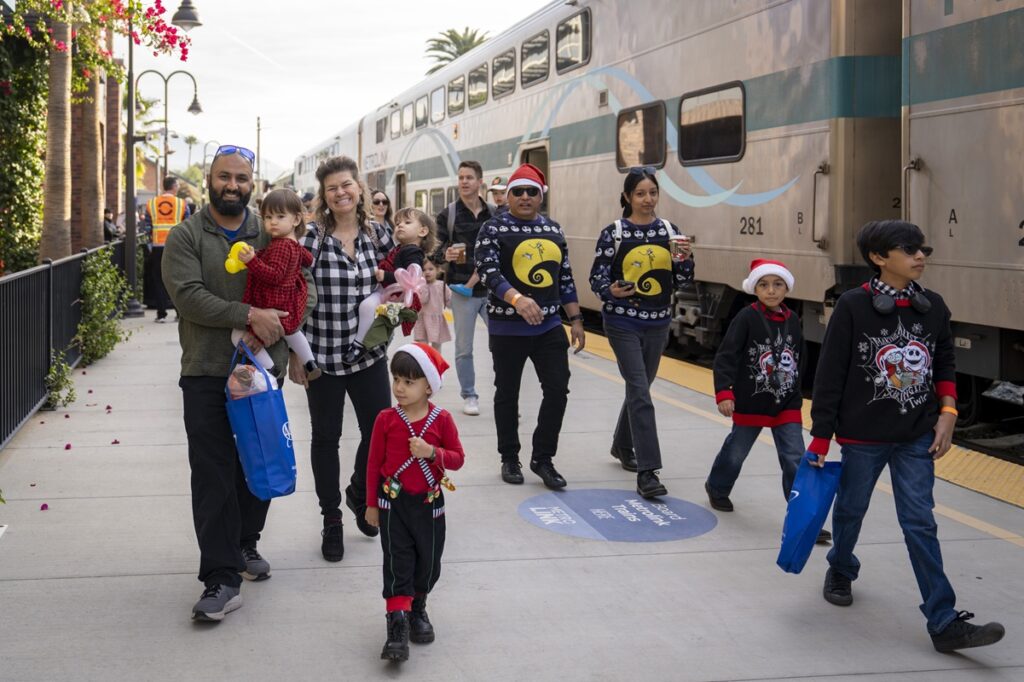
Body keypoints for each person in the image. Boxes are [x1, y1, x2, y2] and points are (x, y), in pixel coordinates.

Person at [809, 219, 1004, 653]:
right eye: (909, 249)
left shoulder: (932, 305)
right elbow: (829, 375)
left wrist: (948, 412)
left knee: (920, 521)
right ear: (880, 258)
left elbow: (945, 362)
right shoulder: (852, 307)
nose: (920, 256)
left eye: (923, 249)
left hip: (916, 435)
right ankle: (841, 566)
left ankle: (943, 620)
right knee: (852, 510)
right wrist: (821, 437)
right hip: (862, 435)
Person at [162, 144, 315, 622]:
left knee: (257, 465)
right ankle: (220, 577)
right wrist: (249, 314)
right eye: (224, 177)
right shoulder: (187, 236)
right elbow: (188, 297)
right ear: (210, 180)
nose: (233, 185)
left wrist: (287, 341)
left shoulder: (269, 227)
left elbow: (298, 289)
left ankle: (246, 545)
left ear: (253, 184)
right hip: (206, 371)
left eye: (242, 178)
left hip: (259, 373)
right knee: (212, 474)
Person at [295, 155, 395, 561]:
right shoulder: (312, 238)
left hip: (370, 357)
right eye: (332, 187)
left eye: (347, 185)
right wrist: (293, 354)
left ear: (360, 188)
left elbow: (403, 280)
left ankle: (358, 491)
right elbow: (294, 294)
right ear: (324, 195)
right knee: (326, 439)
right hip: (323, 359)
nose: (341, 192)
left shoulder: (380, 235)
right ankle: (331, 518)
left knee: (378, 433)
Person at [475, 163, 585, 489]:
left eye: (531, 192)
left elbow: (565, 277)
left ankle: (543, 458)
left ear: (541, 196)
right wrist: (517, 299)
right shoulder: (493, 230)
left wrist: (576, 319)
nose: (525, 197)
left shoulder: (554, 230)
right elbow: (488, 272)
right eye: (518, 191)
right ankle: (509, 457)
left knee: (557, 389)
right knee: (507, 393)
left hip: (549, 326)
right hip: (508, 328)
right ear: (508, 196)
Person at [704, 259, 830, 543]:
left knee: (796, 460)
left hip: (785, 404)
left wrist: (796, 395)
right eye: (764, 285)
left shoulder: (793, 320)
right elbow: (727, 356)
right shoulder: (746, 318)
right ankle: (717, 487)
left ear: (787, 288)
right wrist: (725, 392)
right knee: (736, 452)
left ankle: (803, 517)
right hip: (751, 402)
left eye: (777, 284)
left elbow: (800, 359)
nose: (771, 290)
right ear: (754, 288)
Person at [588, 167, 693, 498]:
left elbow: (683, 281)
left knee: (640, 389)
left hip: (659, 323)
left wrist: (686, 260)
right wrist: (611, 291)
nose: (648, 200)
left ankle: (622, 446)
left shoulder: (669, 231)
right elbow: (596, 279)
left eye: (653, 193)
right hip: (622, 323)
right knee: (640, 391)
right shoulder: (615, 233)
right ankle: (648, 472)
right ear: (628, 197)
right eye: (640, 194)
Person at [365, 344, 465, 662]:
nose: (399, 388)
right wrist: (371, 504)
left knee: (429, 564)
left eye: (408, 382)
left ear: (428, 385)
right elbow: (372, 464)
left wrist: (432, 453)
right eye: (396, 379)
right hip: (393, 505)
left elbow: (458, 459)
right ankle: (396, 625)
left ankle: (417, 608)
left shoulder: (442, 420)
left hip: (429, 505)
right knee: (397, 563)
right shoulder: (385, 419)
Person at [229, 188, 320, 380]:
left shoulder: (280, 245)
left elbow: (274, 275)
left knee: (237, 336)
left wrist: (252, 261)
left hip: (271, 300)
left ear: (296, 220)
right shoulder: (294, 244)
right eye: (268, 217)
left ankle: (270, 368)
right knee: (292, 331)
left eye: (280, 216)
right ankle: (310, 362)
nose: (273, 222)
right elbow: (309, 259)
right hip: (289, 302)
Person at [435, 160, 495, 416]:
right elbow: (434, 253)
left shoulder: (494, 214)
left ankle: (505, 395)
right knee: (464, 348)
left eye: (469, 177)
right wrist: (444, 254)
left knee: (503, 345)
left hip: (493, 290)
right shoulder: (447, 215)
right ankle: (469, 395)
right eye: (461, 177)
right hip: (462, 291)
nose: (464, 182)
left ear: (480, 181)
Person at [342, 207, 436, 364]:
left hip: (392, 294)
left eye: (407, 222)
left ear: (423, 231)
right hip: (387, 290)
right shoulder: (402, 248)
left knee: (367, 307)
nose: (400, 225)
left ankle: (360, 346)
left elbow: (411, 278)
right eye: (398, 222)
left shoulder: (412, 252)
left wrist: (385, 275)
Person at [146, 175, 191, 323]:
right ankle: (179, 313)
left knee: (158, 280)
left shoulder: (151, 204)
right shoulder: (182, 204)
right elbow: (188, 227)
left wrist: (150, 246)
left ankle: (161, 314)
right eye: (177, 185)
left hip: (157, 247)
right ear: (174, 187)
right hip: (176, 247)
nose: (178, 188)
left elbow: (147, 228)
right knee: (177, 280)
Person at [413, 259, 452, 351]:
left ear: (438, 270)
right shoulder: (419, 286)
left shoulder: (442, 285)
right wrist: (424, 284)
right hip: (422, 319)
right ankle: (424, 364)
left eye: (430, 269)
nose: (427, 272)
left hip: (437, 320)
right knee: (422, 348)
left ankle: (436, 364)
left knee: (437, 349)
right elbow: (423, 299)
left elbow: (449, 301)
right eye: (424, 270)